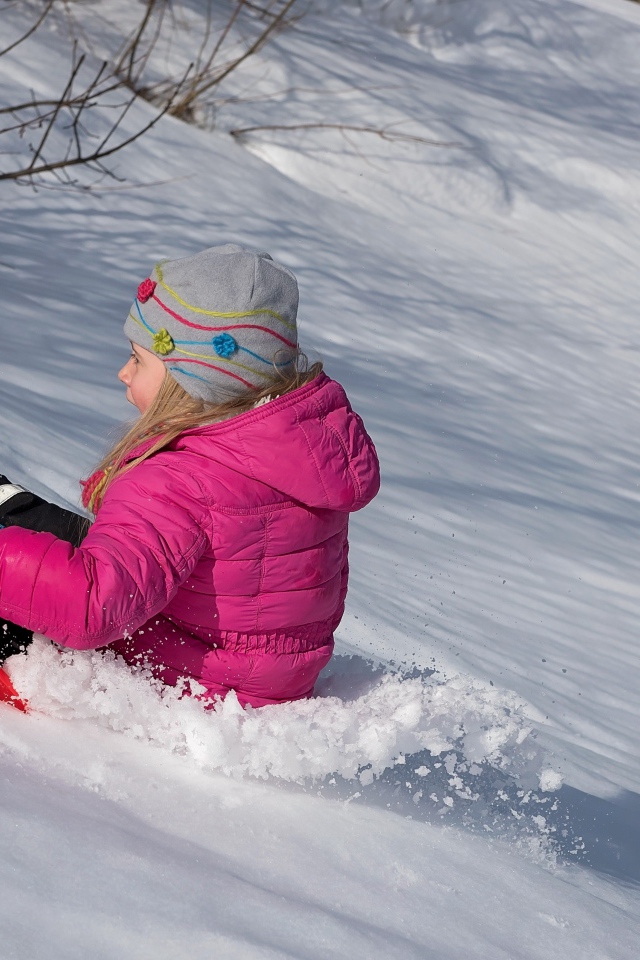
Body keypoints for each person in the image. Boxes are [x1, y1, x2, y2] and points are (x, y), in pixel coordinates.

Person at [0, 244, 380, 708]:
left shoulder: (179, 481)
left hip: (165, 688)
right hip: (248, 686)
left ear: (193, 380)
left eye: (138, 359)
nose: (123, 372)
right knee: (48, 529)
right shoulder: (295, 461)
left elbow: (91, 609)